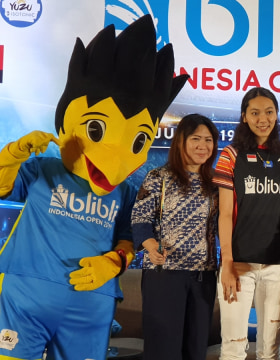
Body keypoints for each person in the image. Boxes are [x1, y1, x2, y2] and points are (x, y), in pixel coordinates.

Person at [0, 15, 187, 360]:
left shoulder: (126, 192)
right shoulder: (45, 168)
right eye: (97, 130)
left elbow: (131, 238)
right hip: (26, 293)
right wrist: (11, 155)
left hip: (90, 302)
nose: (115, 162)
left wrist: (114, 263)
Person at [213, 87, 280, 359]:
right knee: (233, 347)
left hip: (278, 265)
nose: (262, 118)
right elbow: (225, 214)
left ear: (276, 115)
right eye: (255, 112)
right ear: (244, 117)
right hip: (239, 264)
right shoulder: (231, 155)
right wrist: (226, 262)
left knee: (270, 350)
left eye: (269, 112)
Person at [131, 114, 219, 360]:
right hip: (164, 274)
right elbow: (139, 219)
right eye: (196, 139)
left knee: (195, 348)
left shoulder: (215, 183)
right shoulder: (158, 177)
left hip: (203, 276)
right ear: (181, 141)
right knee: (163, 349)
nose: (203, 146)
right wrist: (151, 248)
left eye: (209, 140)